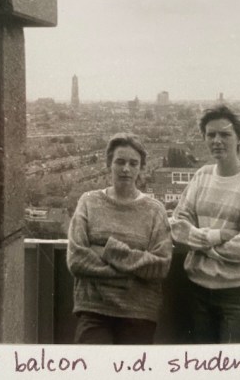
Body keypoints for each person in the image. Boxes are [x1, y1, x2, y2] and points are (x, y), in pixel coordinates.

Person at [170, 104, 240, 344]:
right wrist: (223, 235)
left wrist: (203, 241)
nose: (217, 140)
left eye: (225, 134)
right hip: (197, 290)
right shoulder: (201, 175)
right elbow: (178, 226)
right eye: (211, 134)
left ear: (239, 137)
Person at [67, 133, 172, 344]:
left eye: (133, 163)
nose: (126, 169)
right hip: (95, 310)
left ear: (141, 168)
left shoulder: (155, 210)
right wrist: (130, 276)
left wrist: (107, 250)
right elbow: (76, 259)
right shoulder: (88, 202)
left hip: (139, 312)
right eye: (120, 162)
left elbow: (161, 265)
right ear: (109, 164)